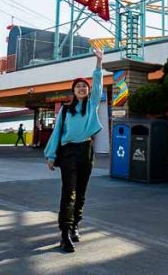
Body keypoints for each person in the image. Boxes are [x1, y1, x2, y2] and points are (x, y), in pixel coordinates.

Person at [44, 46, 105, 253]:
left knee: (81, 191)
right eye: (77, 86)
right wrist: (51, 155)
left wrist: (99, 62)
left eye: (84, 86)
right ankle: (64, 233)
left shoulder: (92, 105)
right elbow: (57, 133)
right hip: (69, 152)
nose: (81, 88)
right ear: (73, 90)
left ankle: (75, 225)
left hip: (86, 150)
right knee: (68, 192)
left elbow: (98, 84)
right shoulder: (66, 110)